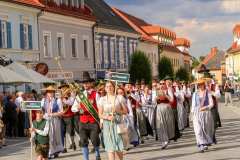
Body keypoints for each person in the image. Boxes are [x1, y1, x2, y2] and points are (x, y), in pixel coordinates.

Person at [72, 72, 101, 160]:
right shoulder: (80, 95)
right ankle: (86, 158)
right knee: (83, 141)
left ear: (91, 83)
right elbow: (73, 109)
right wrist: (77, 107)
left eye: (87, 82)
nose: (85, 84)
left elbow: (100, 107)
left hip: (93, 121)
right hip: (82, 122)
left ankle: (97, 154)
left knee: (94, 139)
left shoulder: (96, 94)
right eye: (84, 83)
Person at [98, 81, 128, 160]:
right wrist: (107, 117)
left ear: (114, 87)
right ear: (105, 88)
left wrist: (117, 110)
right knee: (110, 148)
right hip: (107, 126)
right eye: (107, 87)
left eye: (111, 86)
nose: (109, 88)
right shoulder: (102, 99)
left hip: (118, 125)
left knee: (118, 148)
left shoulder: (119, 98)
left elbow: (125, 111)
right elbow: (100, 114)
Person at [191, 79, 215, 153]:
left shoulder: (208, 93)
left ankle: (205, 143)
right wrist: (192, 114)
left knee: (205, 129)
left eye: (201, 84)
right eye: (199, 85)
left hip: (206, 113)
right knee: (198, 130)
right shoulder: (195, 93)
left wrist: (205, 107)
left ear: (204, 85)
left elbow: (211, 104)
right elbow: (193, 105)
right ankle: (201, 144)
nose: (200, 86)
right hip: (197, 113)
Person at [41, 86, 64, 159]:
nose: (50, 93)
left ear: (54, 93)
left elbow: (61, 112)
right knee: (48, 136)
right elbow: (41, 110)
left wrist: (52, 114)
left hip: (55, 120)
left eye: (51, 92)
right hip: (46, 120)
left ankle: (56, 151)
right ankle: (50, 152)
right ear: (46, 93)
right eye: (49, 92)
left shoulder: (58, 100)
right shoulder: (43, 100)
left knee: (56, 136)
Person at [154, 80, 175, 149]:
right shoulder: (156, 91)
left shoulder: (168, 90)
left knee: (167, 124)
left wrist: (165, 95)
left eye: (163, 83)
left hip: (167, 108)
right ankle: (164, 140)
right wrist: (158, 96)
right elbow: (154, 101)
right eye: (161, 83)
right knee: (161, 124)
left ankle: (167, 138)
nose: (162, 85)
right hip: (159, 108)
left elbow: (172, 100)